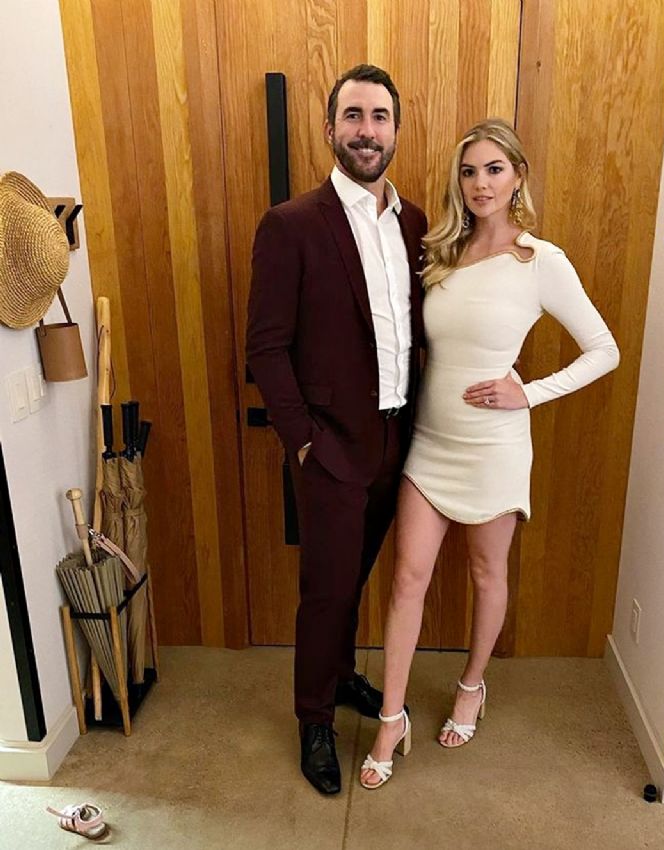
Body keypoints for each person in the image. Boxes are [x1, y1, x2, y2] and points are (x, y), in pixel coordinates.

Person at [359, 118, 620, 789]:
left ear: (518, 176)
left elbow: (605, 350)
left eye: (494, 169)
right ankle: (391, 717)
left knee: (486, 573)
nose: (481, 184)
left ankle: (472, 685)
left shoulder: (541, 261)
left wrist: (527, 393)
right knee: (407, 580)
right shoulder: (441, 252)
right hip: (430, 443)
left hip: (495, 447)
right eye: (470, 171)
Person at [246, 64, 428, 796]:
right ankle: (314, 718)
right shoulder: (290, 225)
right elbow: (265, 347)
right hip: (330, 447)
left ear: (396, 131)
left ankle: (342, 673)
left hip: (399, 440)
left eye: (379, 117)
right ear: (330, 129)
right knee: (325, 591)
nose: (366, 130)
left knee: (354, 577)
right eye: (353, 116)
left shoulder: (415, 223)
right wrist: (304, 441)